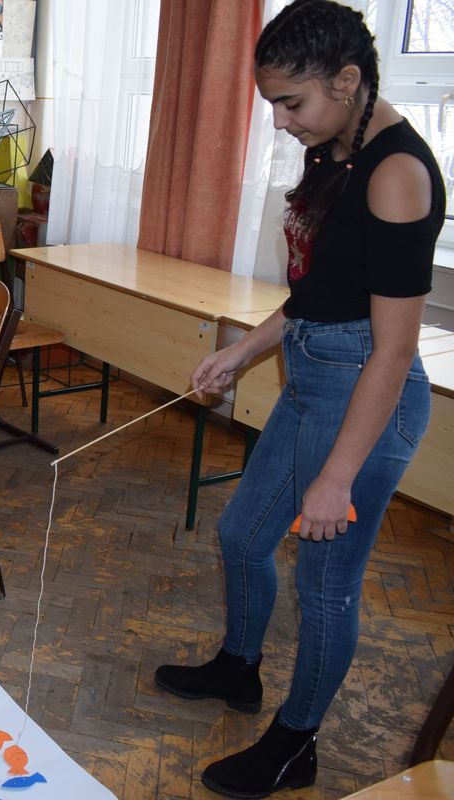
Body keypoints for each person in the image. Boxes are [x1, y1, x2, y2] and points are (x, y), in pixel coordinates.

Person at [153, 1, 444, 797]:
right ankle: (238, 666)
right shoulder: (334, 146)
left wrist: (336, 478)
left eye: (291, 102)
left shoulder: (398, 173)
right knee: (244, 536)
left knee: (325, 586)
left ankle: (295, 743)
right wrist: (240, 352)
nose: (280, 123)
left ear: (347, 81)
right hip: (315, 376)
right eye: (273, 104)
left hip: (366, 397)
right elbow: (318, 293)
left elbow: (392, 350)